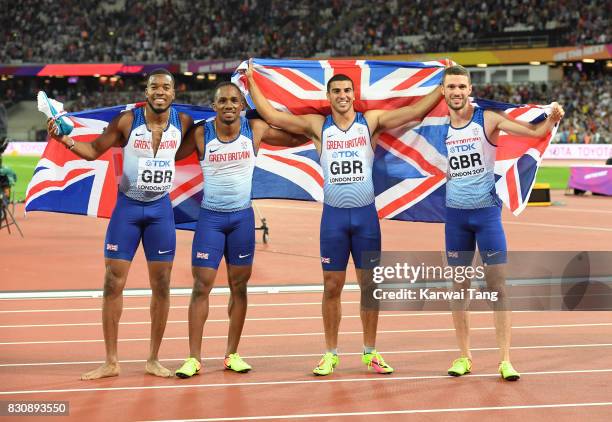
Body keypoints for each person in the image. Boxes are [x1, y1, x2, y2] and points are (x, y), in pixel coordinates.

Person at [246, 61, 444, 376]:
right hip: (334, 220)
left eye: (347, 90)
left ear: (354, 94)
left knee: (369, 286)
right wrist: (252, 79)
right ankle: (330, 353)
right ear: (328, 95)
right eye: (336, 91)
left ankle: (370, 352)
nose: (342, 95)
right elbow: (272, 116)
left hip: (365, 218)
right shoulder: (316, 125)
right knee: (331, 285)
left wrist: (442, 85)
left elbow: (414, 112)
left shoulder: (372, 122)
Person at [47, 68, 194, 380]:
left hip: (160, 211)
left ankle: (153, 358)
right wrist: (64, 139)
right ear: (146, 91)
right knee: (113, 282)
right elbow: (93, 151)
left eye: (165, 87)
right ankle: (111, 361)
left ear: (173, 93)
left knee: (163, 285)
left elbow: (186, 152)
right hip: (127, 209)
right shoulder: (128, 121)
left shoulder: (183, 123)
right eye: (154, 86)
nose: (159, 92)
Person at [174, 82, 307, 378]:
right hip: (210, 219)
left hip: (241, 220)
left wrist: (313, 124)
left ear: (243, 105)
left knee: (239, 287)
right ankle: (193, 358)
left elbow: (294, 137)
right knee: (201, 286)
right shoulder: (200, 133)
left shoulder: (255, 129)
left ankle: (231, 354)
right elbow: (167, 154)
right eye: (223, 101)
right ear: (214, 106)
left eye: (235, 100)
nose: (229, 105)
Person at [441, 65, 564, 381]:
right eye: (450, 87)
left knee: (497, 287)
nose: (456, 92)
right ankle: (463, 356)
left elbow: (535, 133)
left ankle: (506, 360)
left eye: (461, 86)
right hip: (455, 218)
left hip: (486, 216)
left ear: (470, 89)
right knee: (459, 287)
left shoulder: (488, 120)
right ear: (443, 91)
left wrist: (552, 117)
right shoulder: (438, 127)